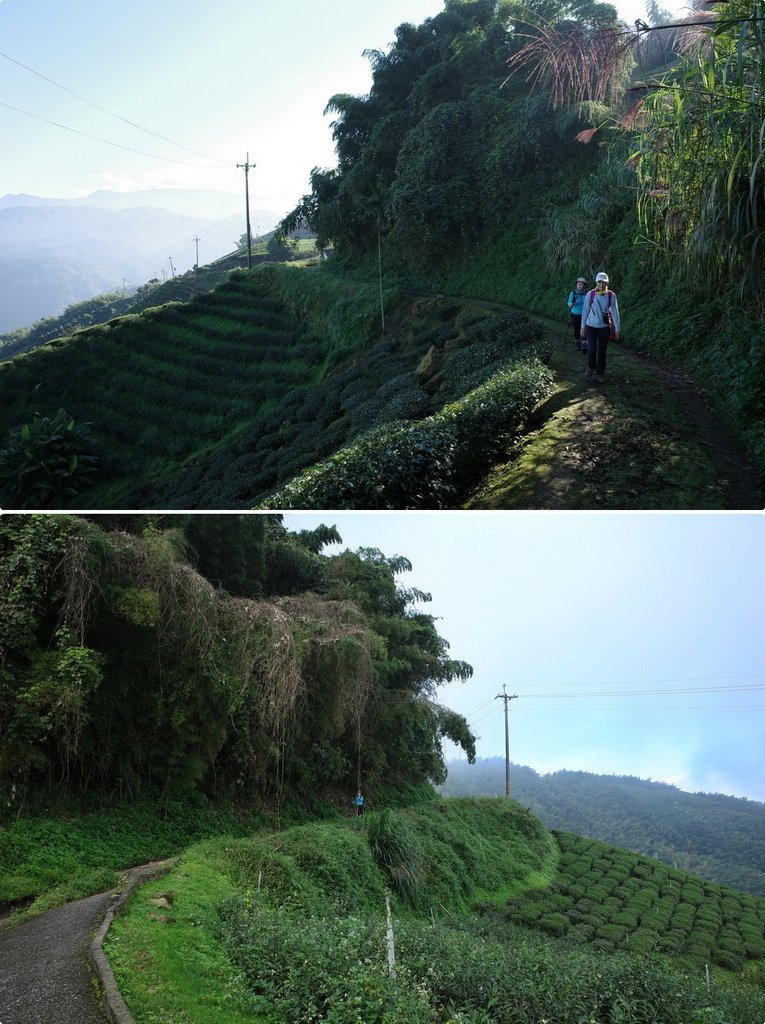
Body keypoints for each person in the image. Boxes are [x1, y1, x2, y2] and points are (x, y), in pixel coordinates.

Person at [581, 271, 621, 383]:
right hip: (591, 326)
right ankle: (591, 366)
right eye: (599, 282)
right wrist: (582, 326)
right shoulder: (591, 294)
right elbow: (585, 310)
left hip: (604, 327)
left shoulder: (611, 295)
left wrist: (617, 328)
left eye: (604, 282)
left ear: (607, 283)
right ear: (596, 282)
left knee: (602, 351)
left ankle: (600, 373)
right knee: (591, 349)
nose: (601, 284)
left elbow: (615, 312)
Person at [566, 277, 588, 350]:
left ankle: (584, 343)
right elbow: (569, 302)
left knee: (584, 328)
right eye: (578, 284)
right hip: (575, 314)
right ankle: (577, 342)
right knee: (577, 328)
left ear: (584, 285)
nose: (579, 286)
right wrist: (570, 304)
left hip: (585, 314)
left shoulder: (587, 294)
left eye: (581, 284)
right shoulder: (573, 293)